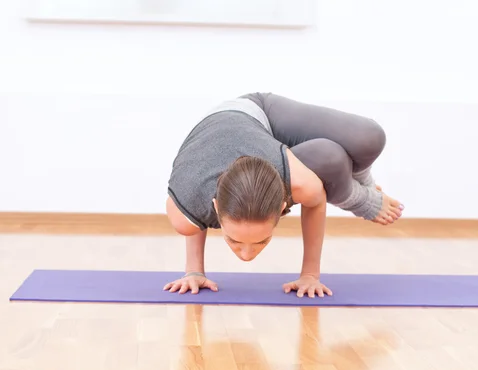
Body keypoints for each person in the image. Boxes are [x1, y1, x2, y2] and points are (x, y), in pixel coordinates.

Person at [163, 93, 404, 298]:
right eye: (234, 240)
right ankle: (361, 190)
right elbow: (192, 208)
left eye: (260, 241)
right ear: (214, 207)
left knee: (368, 138)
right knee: (331, 155)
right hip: (229, 138)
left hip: (257, 114)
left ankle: (364, 191)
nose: (246, 256)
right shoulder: (184, 208)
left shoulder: (295, 180)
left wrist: (310, 275)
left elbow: (316, 200)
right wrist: (194, 271)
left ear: (281, 207)